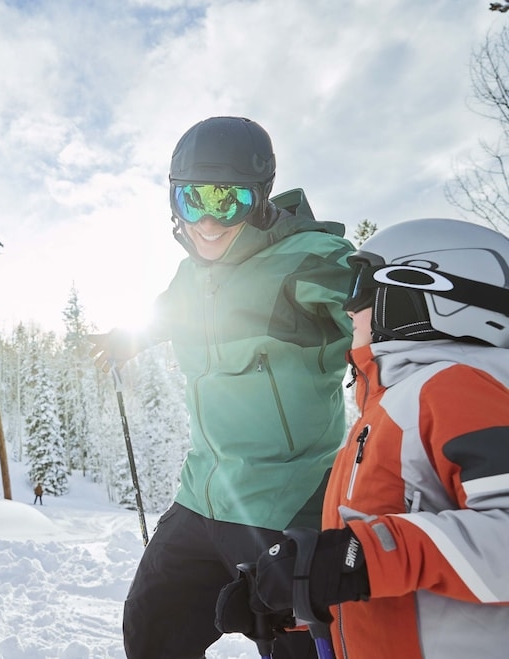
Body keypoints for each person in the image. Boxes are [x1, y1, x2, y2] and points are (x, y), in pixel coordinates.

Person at [88, 116, 354, 659]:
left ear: (259, 199)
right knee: (151, 627)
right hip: (200, 498)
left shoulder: (307, 259)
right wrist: (126, 340)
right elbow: (164, 316)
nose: (207, 222)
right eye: (193, 202)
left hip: (286, 504)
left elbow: (373, 293)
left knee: (295, 649)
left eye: (226, 202)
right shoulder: (192, 276)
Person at [215, 218, 509, 658]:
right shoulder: (388, 408)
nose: (349, 308)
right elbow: (389, 573)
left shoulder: (458, 386)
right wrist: (298, 594)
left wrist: (355, 559)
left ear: (428, 289)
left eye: (362, 288)